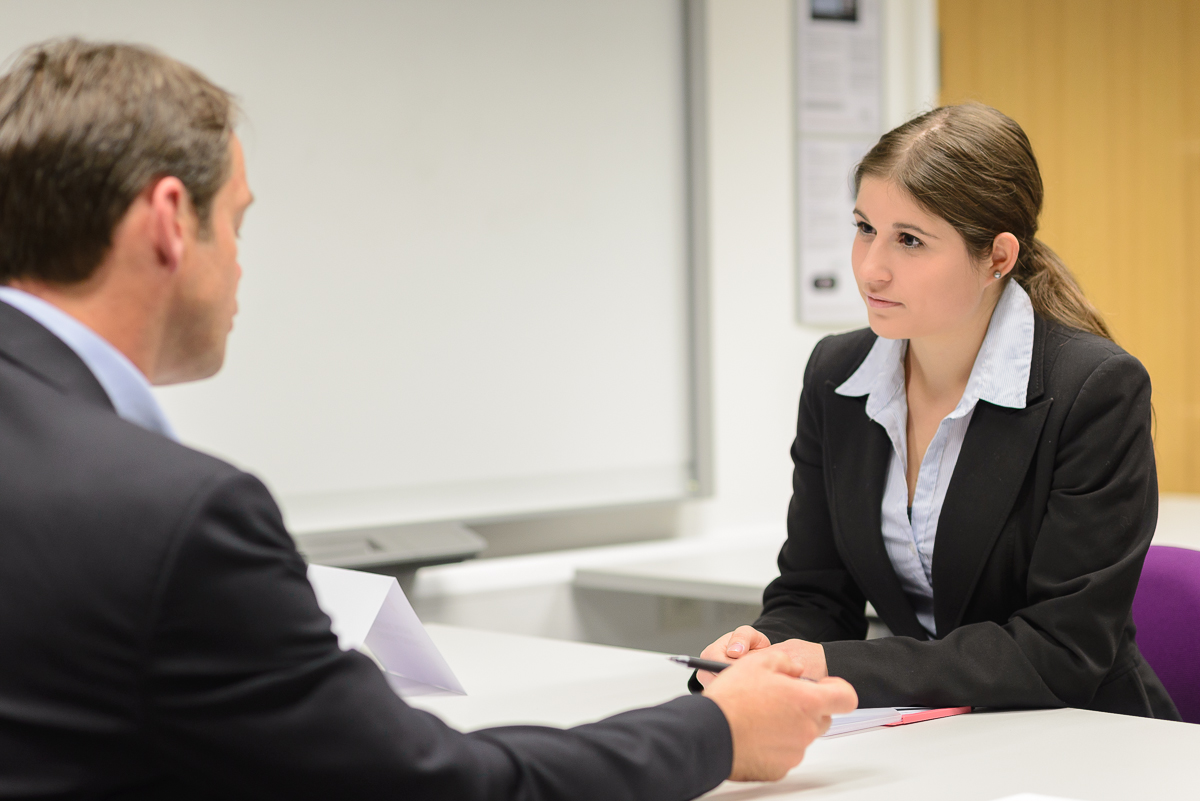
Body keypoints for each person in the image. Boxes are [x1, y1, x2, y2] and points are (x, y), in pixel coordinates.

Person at [0, 39, 858, 800]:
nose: (239, 268)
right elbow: (440, 786)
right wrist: (719, 732)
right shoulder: (175, 517)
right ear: (167, 224)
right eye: (236, 224)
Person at [695, 103, 1180, 720]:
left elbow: (1062, 651)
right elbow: (814, 592)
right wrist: (767, 646)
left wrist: (832, 665)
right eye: (865, 227)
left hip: (1078, 733)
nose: (871, 267)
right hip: (924, 730)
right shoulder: (836, 376)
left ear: (997, 258)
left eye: (911, 240)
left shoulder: (1094, 389)